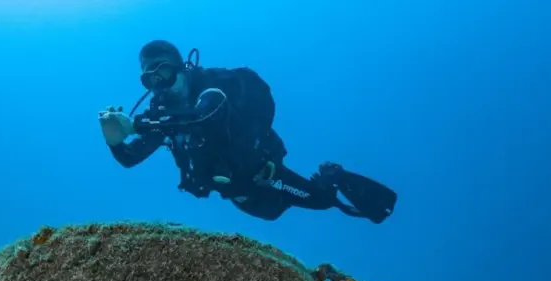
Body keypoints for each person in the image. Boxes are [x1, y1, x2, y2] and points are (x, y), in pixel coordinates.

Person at [99, 40, 397, 224]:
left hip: (260, 170)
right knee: (269, 213)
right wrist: (114, 140)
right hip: (233, 188)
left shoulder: (213, 87)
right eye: (148, 79)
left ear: (180, 67)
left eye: (162, 72)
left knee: (320, 200)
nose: (158, 84)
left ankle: (333, 176)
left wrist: (136, 124)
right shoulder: (161, 116)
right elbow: (129, 158)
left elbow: (205, 115)